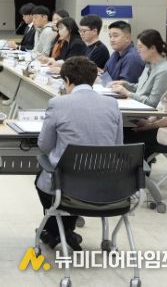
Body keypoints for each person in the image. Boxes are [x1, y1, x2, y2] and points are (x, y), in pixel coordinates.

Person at [36, 56, 123, 251]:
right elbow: (118, 145)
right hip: (105, 186)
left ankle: (57, 231)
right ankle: (63, 231)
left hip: (68, 187)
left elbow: (44, 146)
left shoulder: (58, 103)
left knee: (45, 178)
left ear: (67, 80)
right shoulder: (111, 104)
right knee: (70, 176)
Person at [126, 34, 167, 161]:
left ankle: (134, 171)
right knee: (127, 130)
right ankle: (135, 170)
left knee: (130, 136)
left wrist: (151, 125)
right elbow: (164, 102)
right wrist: (150, 121)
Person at [111, 29, 167, 108]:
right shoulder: (149, 64)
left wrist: (128, 93)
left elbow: (153, 103)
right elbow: (141, 89)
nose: (138, 50)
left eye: (140, 47)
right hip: (137, 106)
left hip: (146, 112)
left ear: (152, 48)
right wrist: (126, 85)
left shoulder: (164, 71)